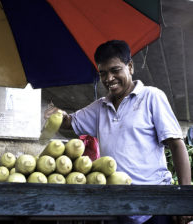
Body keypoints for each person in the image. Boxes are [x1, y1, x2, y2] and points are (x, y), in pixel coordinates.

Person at [45, 40, 191, 224]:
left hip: (155, 206)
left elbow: (177, 145)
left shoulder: (151, 97)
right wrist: (60, 115)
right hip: (117, 208)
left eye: (115, 70)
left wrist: (185, 198)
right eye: (103, 73)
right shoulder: (100, 107)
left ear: (130, 67)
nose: (109, 79)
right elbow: (70, 122)